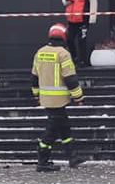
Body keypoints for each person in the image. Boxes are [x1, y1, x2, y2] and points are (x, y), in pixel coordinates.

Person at [31, 23, 85, 172]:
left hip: (46, 98)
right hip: (59, 99)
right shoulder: (63, 54)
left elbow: (34, 78)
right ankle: (42, 161)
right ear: (64, 36)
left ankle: (73, 157)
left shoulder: (40, 52)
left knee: (64, 127)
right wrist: (78, 97)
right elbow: (70, 79)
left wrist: (36, 95)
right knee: (52, 131)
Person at [62, 0, 98, 67]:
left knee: (81, 40)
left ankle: (83, 61)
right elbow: (64, 0)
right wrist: (68, 1)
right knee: (69, 39)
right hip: (72, 20)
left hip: (83, 20)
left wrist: (92, 18)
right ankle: (74, 58)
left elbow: (93, 4)